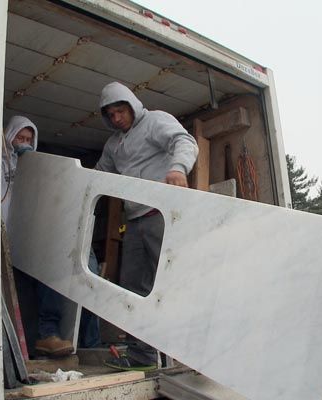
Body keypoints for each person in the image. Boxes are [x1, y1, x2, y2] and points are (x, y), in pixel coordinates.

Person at [95, 82, 198, 371]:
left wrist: (178, 168)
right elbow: (99, 175)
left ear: (132, 105)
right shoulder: (113, 145)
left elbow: (184, 141)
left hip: (161, 214)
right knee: (132, 289)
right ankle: (143, 356)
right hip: (135, 222)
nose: (117, 118)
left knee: (172, 283)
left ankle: (193, 352)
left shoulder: (154, 121)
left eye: (120, 111)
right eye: (111, 115)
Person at [2, 116, 74, 357]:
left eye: (29, 140)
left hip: (30, 237)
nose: (24, 144)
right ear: (8, 136)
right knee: (17, 296)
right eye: (19, 138)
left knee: (46, 283)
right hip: (3, 239)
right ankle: (20, 351)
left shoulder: (36, 167)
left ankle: (46, 337)